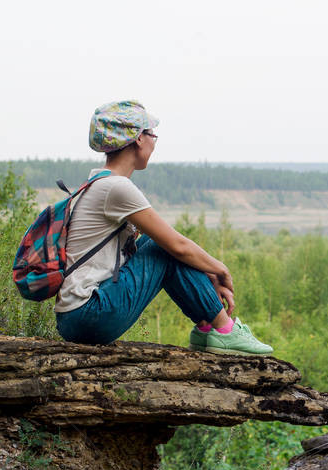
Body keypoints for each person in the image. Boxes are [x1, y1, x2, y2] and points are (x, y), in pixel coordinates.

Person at [54, 100, 273, 356]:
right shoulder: (116, 187)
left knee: (151, 243)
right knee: (161, 246)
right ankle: (223, 329)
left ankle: (208, 329)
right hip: (91, 314)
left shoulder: (95, 183)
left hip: (73, 319)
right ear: (138, 138)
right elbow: (177, 246)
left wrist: (206, 269)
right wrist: (220, 270)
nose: (154, 143)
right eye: (152, 135)